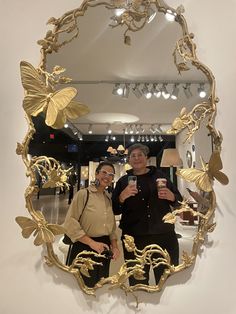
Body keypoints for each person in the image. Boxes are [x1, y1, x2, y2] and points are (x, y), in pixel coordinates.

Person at [112, 143, 182, 286]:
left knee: (167, 280)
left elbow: (179, 203)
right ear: (129, 160)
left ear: (147, 158)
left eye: (140, 155)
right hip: (134, 239)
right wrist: (121, 197)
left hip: (164, 236)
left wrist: (172, 197)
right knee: (137, 281)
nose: (136, 158)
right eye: (133, 156)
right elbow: (114, 210)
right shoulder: (123, 181)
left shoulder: (160, 177)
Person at [63, 161, 120, 287]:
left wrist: (115, 246)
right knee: (81, 286)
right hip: (85, 246)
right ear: (96, 174)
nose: (107, 176)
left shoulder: (108, 198)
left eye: (111, 174)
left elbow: (111, 228)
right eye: (104, 172)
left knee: (100, 285)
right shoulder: (84, 194)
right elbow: (70, 222)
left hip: (103, 248)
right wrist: (92, 243)